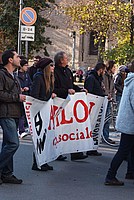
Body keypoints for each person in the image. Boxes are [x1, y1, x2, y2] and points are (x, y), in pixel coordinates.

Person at [53, 51, 88, 161]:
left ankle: (75, 152)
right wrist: (66, 91)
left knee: (72, 127)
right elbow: (54, 89)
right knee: (59, 128)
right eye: (66, 58)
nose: (68, 59)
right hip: (59, 102)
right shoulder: (55, 72)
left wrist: (79, 89)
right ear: (61, 60)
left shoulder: (67, 71)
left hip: (70, 102)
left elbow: (71, 85)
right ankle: (57, 151)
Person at [104, 60, 134, 186]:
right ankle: (110, 176)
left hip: (128, 121)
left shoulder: (130, 80)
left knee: (129, 149)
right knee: (123, 150)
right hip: (130, 122)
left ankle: (130, 172)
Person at [0, 49, 26, 184]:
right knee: (13, 143)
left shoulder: (13, 75)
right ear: (10, 60)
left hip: (14, 113)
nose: (19, 59)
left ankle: (6, 173)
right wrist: (17, 97)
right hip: (6, 113)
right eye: (17, 56)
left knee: (7, 143)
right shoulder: (2, 74)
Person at [30, 57, 57, 171]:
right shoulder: (38, 77)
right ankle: (37, 162)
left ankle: (43, 161)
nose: (53, 67)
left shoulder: (49, 78)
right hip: (39, 111)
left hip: (46, 110)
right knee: (39, 137)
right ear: (46, 67)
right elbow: (35, 95)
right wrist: (47, 97)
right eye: (51, 65)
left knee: (46, 137)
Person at [84, 62, 106, 156]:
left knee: (94, 127)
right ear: (100, 70)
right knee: (90, 126)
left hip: (97, 105)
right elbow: (89, 92)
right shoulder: (91, 78)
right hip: (92, 106)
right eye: (104, 70)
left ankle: (92, 147)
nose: (104, 72)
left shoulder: (97, 78)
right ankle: (87, 147)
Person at [17, 59, 32, 138]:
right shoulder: (16, 75)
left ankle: (24, 127)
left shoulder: (27, 75)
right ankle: (20, 130)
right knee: (20, 113)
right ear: (21, 66)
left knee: (25, 113)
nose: (27, 67)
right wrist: (20, 89)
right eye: (25, 65)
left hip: (26, 96)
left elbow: (31, 84)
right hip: (19, 96)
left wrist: (28, 88)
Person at [103, 60, 116, 144]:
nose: (115, 69)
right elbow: (104, 87)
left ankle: (105, 136)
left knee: (107, 118)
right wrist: (107, 94)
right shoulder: (105, 76)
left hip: (109, 99)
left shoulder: (111, 76)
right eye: (114, 67)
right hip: (104, 99)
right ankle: (104, 136)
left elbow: (112, 88)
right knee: (104, 119)